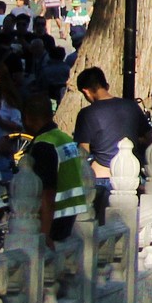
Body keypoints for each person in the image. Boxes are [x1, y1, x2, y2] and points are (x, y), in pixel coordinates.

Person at [70, 67, 151, 214]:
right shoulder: (131, 106)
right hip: (131, 176)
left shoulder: (87, 114)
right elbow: (149, 138)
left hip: (101, 177)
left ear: (86, 91)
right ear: (105, 85)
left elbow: (83, 151)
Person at [16, 94, 90, 242]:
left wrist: (45, 233)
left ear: (28, 117)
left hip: (55, 218)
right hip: (72, 214)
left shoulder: (44, 146)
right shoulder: (65, 138)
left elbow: (47, 193)